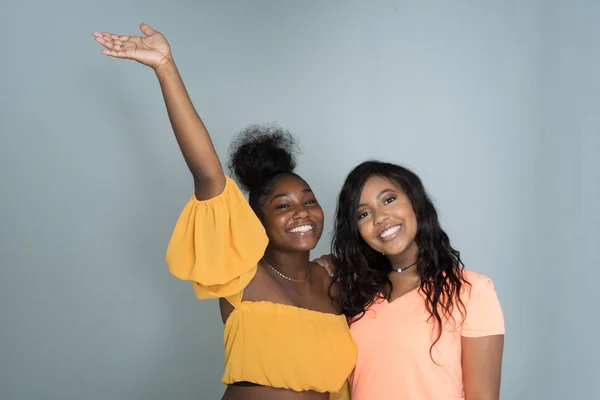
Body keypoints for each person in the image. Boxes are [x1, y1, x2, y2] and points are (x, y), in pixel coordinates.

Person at [92, 23, 355, 400]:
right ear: (257, 220)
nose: (302, 213)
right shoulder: (240, 272)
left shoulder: (334, 282)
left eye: (308, 200)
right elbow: (208, 173)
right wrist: (166, 67)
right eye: (283, 205)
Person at [330, 160, 505, 400]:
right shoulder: (354, 293)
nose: (380, 217)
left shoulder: (472, 291)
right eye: (364, 213)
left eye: (389, 200)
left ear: (416, 203)